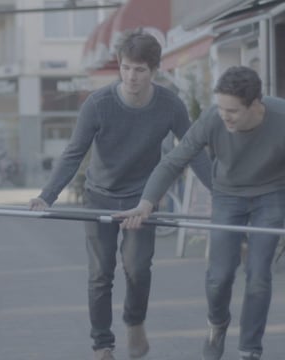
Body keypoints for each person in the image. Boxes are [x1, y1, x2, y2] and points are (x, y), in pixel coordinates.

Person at [28, 30, 212, 360]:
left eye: (140, 70)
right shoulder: (98, 104)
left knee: (138, 268)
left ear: (154, 70)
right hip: (100, 196)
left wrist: (220, 193)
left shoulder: (170, 105)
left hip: (142, 199)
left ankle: (135, 322)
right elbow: (73, 153)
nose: (131, 77)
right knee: (100, 274)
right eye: (126, 68)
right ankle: (102, 344)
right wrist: (47, 196)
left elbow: (192, 151)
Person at [116, 66, 285, 360]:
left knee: (259, 275)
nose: (224, 115)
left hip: (270, 194)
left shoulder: (281, 118)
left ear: (256, 104)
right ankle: (217, 325)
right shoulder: (212, 118)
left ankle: (249, 349)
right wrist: (147, 203)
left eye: (232, 110)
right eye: (220, 107)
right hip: (228, 195)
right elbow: (173, 162)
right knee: (219, 276)